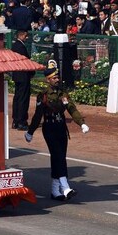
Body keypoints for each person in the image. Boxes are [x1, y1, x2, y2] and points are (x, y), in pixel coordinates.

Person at [25, 62, 90, 201]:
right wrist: (30, 131)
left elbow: (71, 108)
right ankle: (65, 187)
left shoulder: (62, 93)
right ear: (48, 79)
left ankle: (55, 191)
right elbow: (38, 115)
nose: (57, 79)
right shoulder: (43, 95)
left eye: (57, 77)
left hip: (61, 127)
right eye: (54, 78)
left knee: (60, 158)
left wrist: (81, 123)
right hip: (49, 128)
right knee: (58, 156)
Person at [11, 30, 33, 130]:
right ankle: (21, 121)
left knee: (17, 98)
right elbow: (26, 61)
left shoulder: (15, 46)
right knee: (23, 99)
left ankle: (16, 120)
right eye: (26, 36)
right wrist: (32, 72)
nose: (27, 38)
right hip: (23, 75)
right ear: (22, 35)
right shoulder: (20, 47)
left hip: (17, 75)